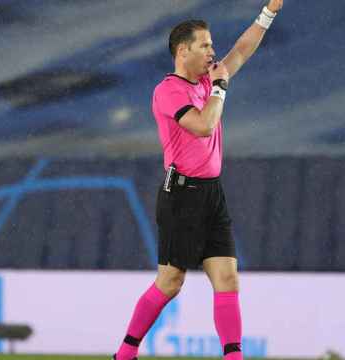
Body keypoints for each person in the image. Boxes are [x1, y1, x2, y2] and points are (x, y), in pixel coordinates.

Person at [113, 1, 284, 359]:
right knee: (170, 282)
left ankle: (233, 356)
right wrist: (220, 89)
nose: (212, 50)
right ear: (182, 50)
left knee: (227, 279)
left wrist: (267, 13)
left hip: (211, 194)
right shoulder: (168, 91)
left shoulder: (210, 78)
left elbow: (241, 49)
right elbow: (204, 126)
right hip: (181, 195)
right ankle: (125, 354)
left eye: (211, 44)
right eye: (204, 45)